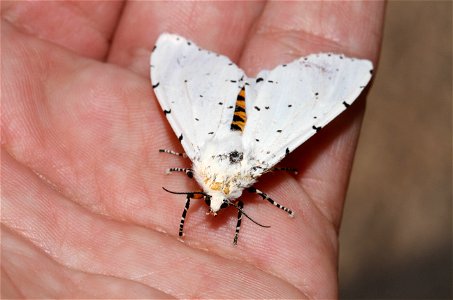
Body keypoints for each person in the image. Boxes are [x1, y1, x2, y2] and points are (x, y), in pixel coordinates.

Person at [1, 1, 384, 298]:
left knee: (307, 115)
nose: (215, 207)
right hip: (264, 135)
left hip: (230, 131)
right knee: (308, 119)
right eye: (219, 202)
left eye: (214, 202)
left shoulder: (212, 164)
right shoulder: (233, 170)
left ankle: (319, 82)